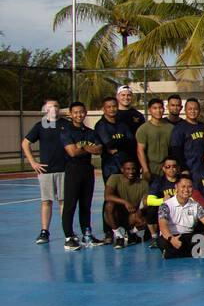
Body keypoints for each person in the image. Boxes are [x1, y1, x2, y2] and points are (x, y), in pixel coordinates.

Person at [58, 102, 106, 250]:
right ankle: (69, 237)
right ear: (71, 114)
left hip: (87, 169)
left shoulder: (90, 132)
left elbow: (99, 149)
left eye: (81, 112)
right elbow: (72, 152)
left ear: (85, 113)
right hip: (73, 170)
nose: (79, 115)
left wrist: (83, 148)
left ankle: (87, 235)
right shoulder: (66, 131)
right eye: (76, 112)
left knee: (86, 205)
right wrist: (88, 147)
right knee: (70, 205)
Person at [23, 100, 66, 244]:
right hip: (46, 171)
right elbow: (25, 143)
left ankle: (67, 231)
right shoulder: (40, 126)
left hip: (64, 170)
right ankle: (44, 231)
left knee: (63, 201)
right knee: (46, 201)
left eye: (56, 106)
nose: (53, 108)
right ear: (45, 109)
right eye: (50, 106)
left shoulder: (66, 124)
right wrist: (33, 163)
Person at [157, 176, 204, 260]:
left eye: (189, 187)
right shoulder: (166, 205)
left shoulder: (195, 205)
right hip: (171, 237)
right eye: (183, 186)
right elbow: (163, 225)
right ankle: (197, 251)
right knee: (162, 242)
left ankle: (175, 253)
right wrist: (171, 239)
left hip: (189, 236)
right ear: (176, 187)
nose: (186, 190)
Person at [103, 159, 151, 248]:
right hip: (117, 215)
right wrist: (125, 202)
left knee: (148, 218)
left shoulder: (143, 184)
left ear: (138, 170)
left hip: (132, 215)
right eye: (128, 169)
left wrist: (139, 213)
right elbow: (107, 196)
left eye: (133, 169)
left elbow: (146, 202)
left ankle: (131, 232)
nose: (131, 172)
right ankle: (119, 236)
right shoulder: (114, 178)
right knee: (109, 205)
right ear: (122, 170)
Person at [143, 157, 182, 242]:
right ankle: (154, 237)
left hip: (181, 208)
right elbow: (149, 200)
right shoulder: (159, 182)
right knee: (151, 209)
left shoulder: (182, 180)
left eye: (174, 166)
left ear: (178, 168)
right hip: (165, 210)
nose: (171, 169)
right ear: (163, 168)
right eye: (168, 167)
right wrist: (162, 200)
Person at [169, 99, 204, 175]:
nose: (193, 111)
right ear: (185, 110)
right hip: (188, 170)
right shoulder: (179, 128)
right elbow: (176, 151)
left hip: (203, 170)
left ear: (199, 110)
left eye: (195, 109)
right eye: (190, 109)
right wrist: (183, 168)